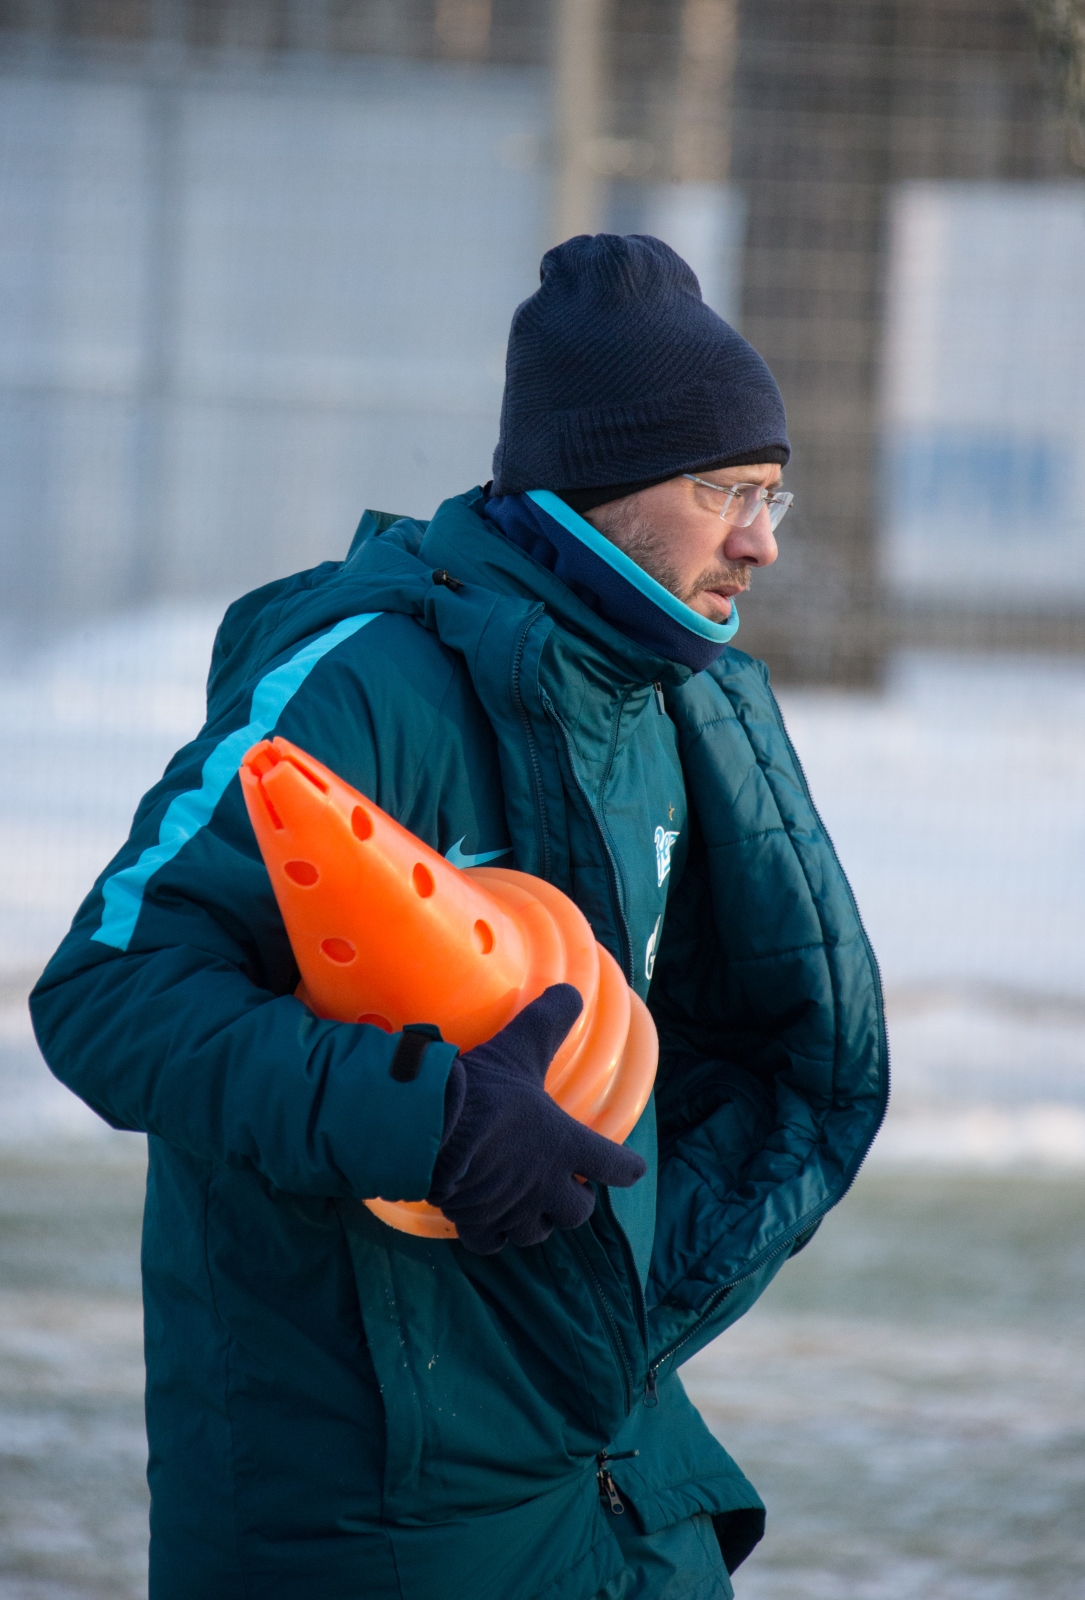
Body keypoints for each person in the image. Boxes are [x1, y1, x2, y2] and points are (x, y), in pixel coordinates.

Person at [31, 235, 887, 1600]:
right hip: (367, 1508)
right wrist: (425, 1116)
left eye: (775, 493)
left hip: (610, 1468)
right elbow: (105, 996)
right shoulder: (365, 682)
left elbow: (759, 1043)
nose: (760, 541)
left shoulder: (668, 699)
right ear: (600, 484)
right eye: (724, 487)